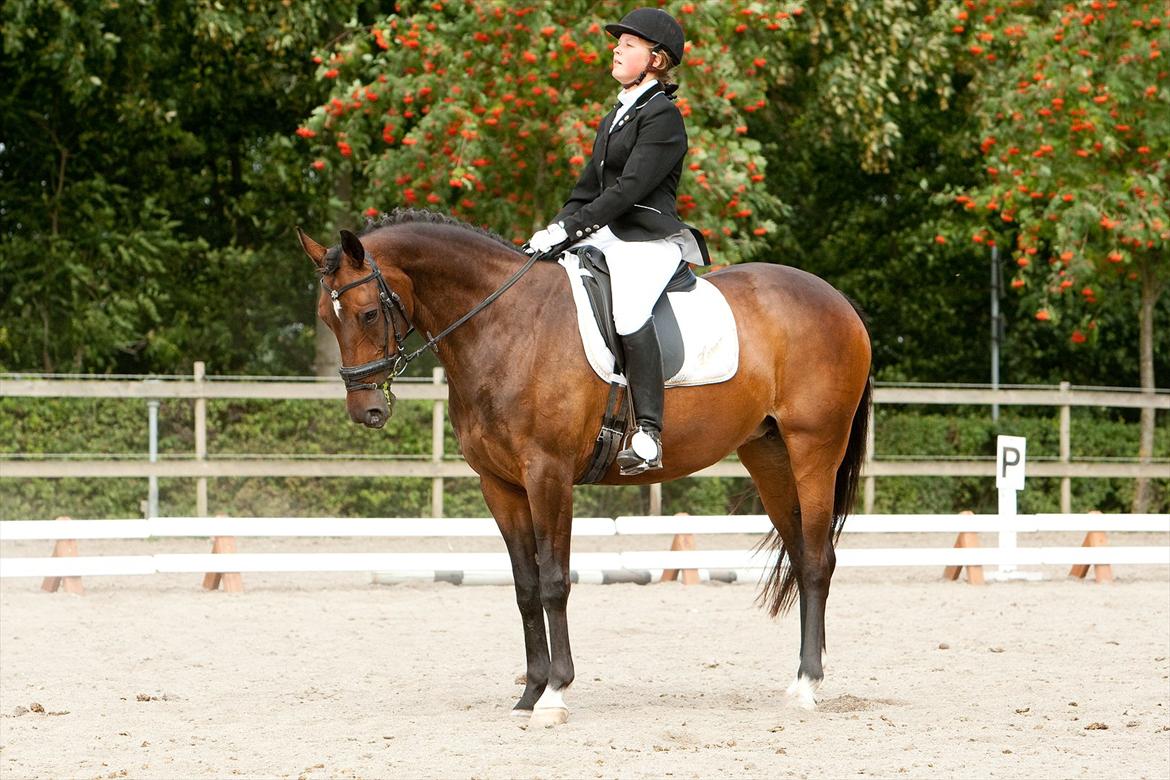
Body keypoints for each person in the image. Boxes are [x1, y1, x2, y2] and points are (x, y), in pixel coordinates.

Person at [527, 7, 710, 476]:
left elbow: (629, 190)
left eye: (629, 44)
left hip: (647, 240)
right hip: (607, 234)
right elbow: (587, 191)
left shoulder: (664, 117)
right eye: (619, 42)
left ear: (656, 60)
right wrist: (551, 232)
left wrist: (573, 229)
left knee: (629, 311)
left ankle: (648, 432)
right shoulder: (614, 118)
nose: (617, 48)